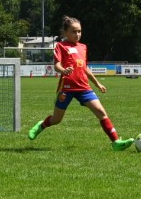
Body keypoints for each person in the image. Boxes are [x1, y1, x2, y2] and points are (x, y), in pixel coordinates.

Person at [28, 16, 134, 150]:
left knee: (101, 112)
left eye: (79, 31)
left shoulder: (83, 47)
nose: (77, 34)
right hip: (66, 88)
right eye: (73, 31)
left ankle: (116, 142)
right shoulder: (61, 46)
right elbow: (57, 65)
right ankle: (41, 125)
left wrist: (97, 83)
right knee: (57, 119)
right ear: (65, 32)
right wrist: (64, 70)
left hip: (84, 87)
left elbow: (85, 68)